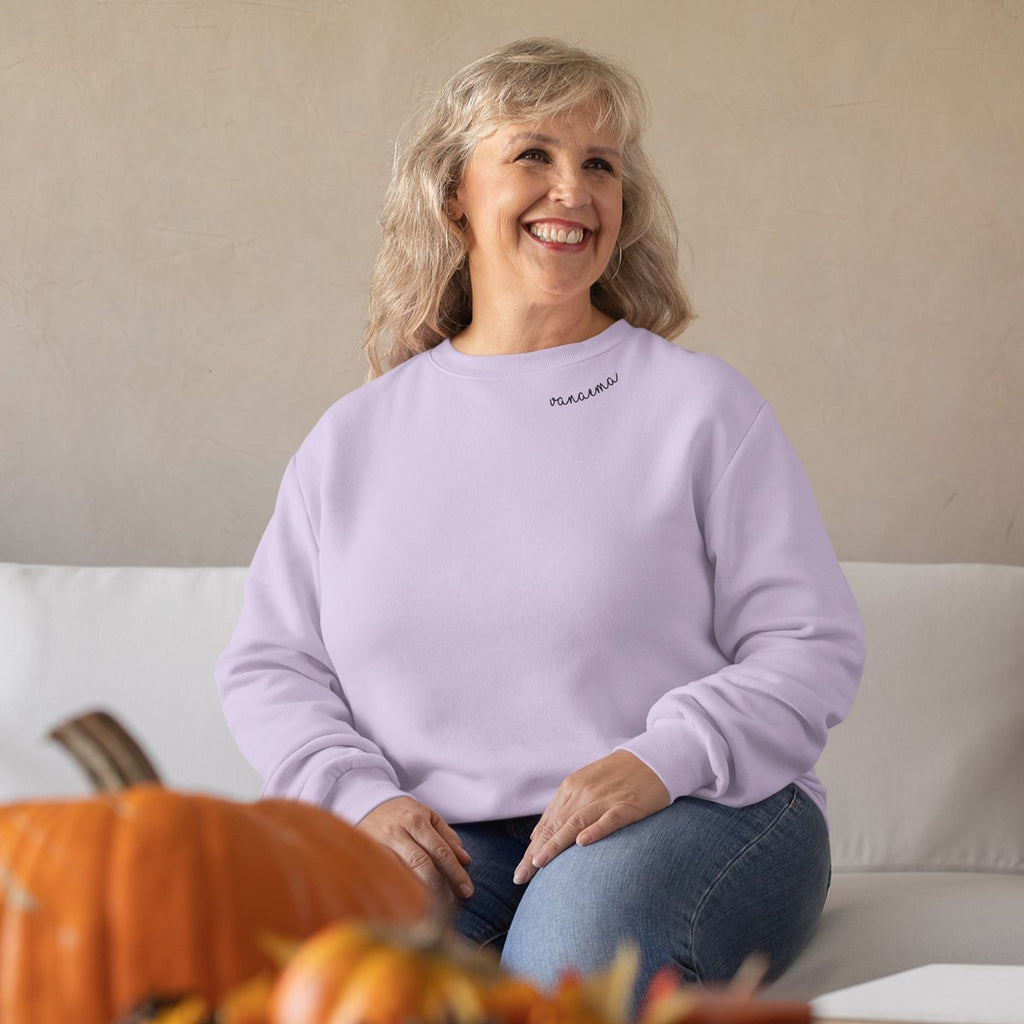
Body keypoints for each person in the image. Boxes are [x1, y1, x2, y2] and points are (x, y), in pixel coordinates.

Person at [216, 37, 865, 1004]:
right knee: (326, 969)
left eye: (599, 166)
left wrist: (658, 759)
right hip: (453, 836)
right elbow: (272, 666)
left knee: (568, 961)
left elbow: (809, 645)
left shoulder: (699, 409)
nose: (575, 190)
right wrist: (363, 799)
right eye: (534, 155)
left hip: (698, 810)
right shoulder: (355, 438)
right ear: (454, 198)